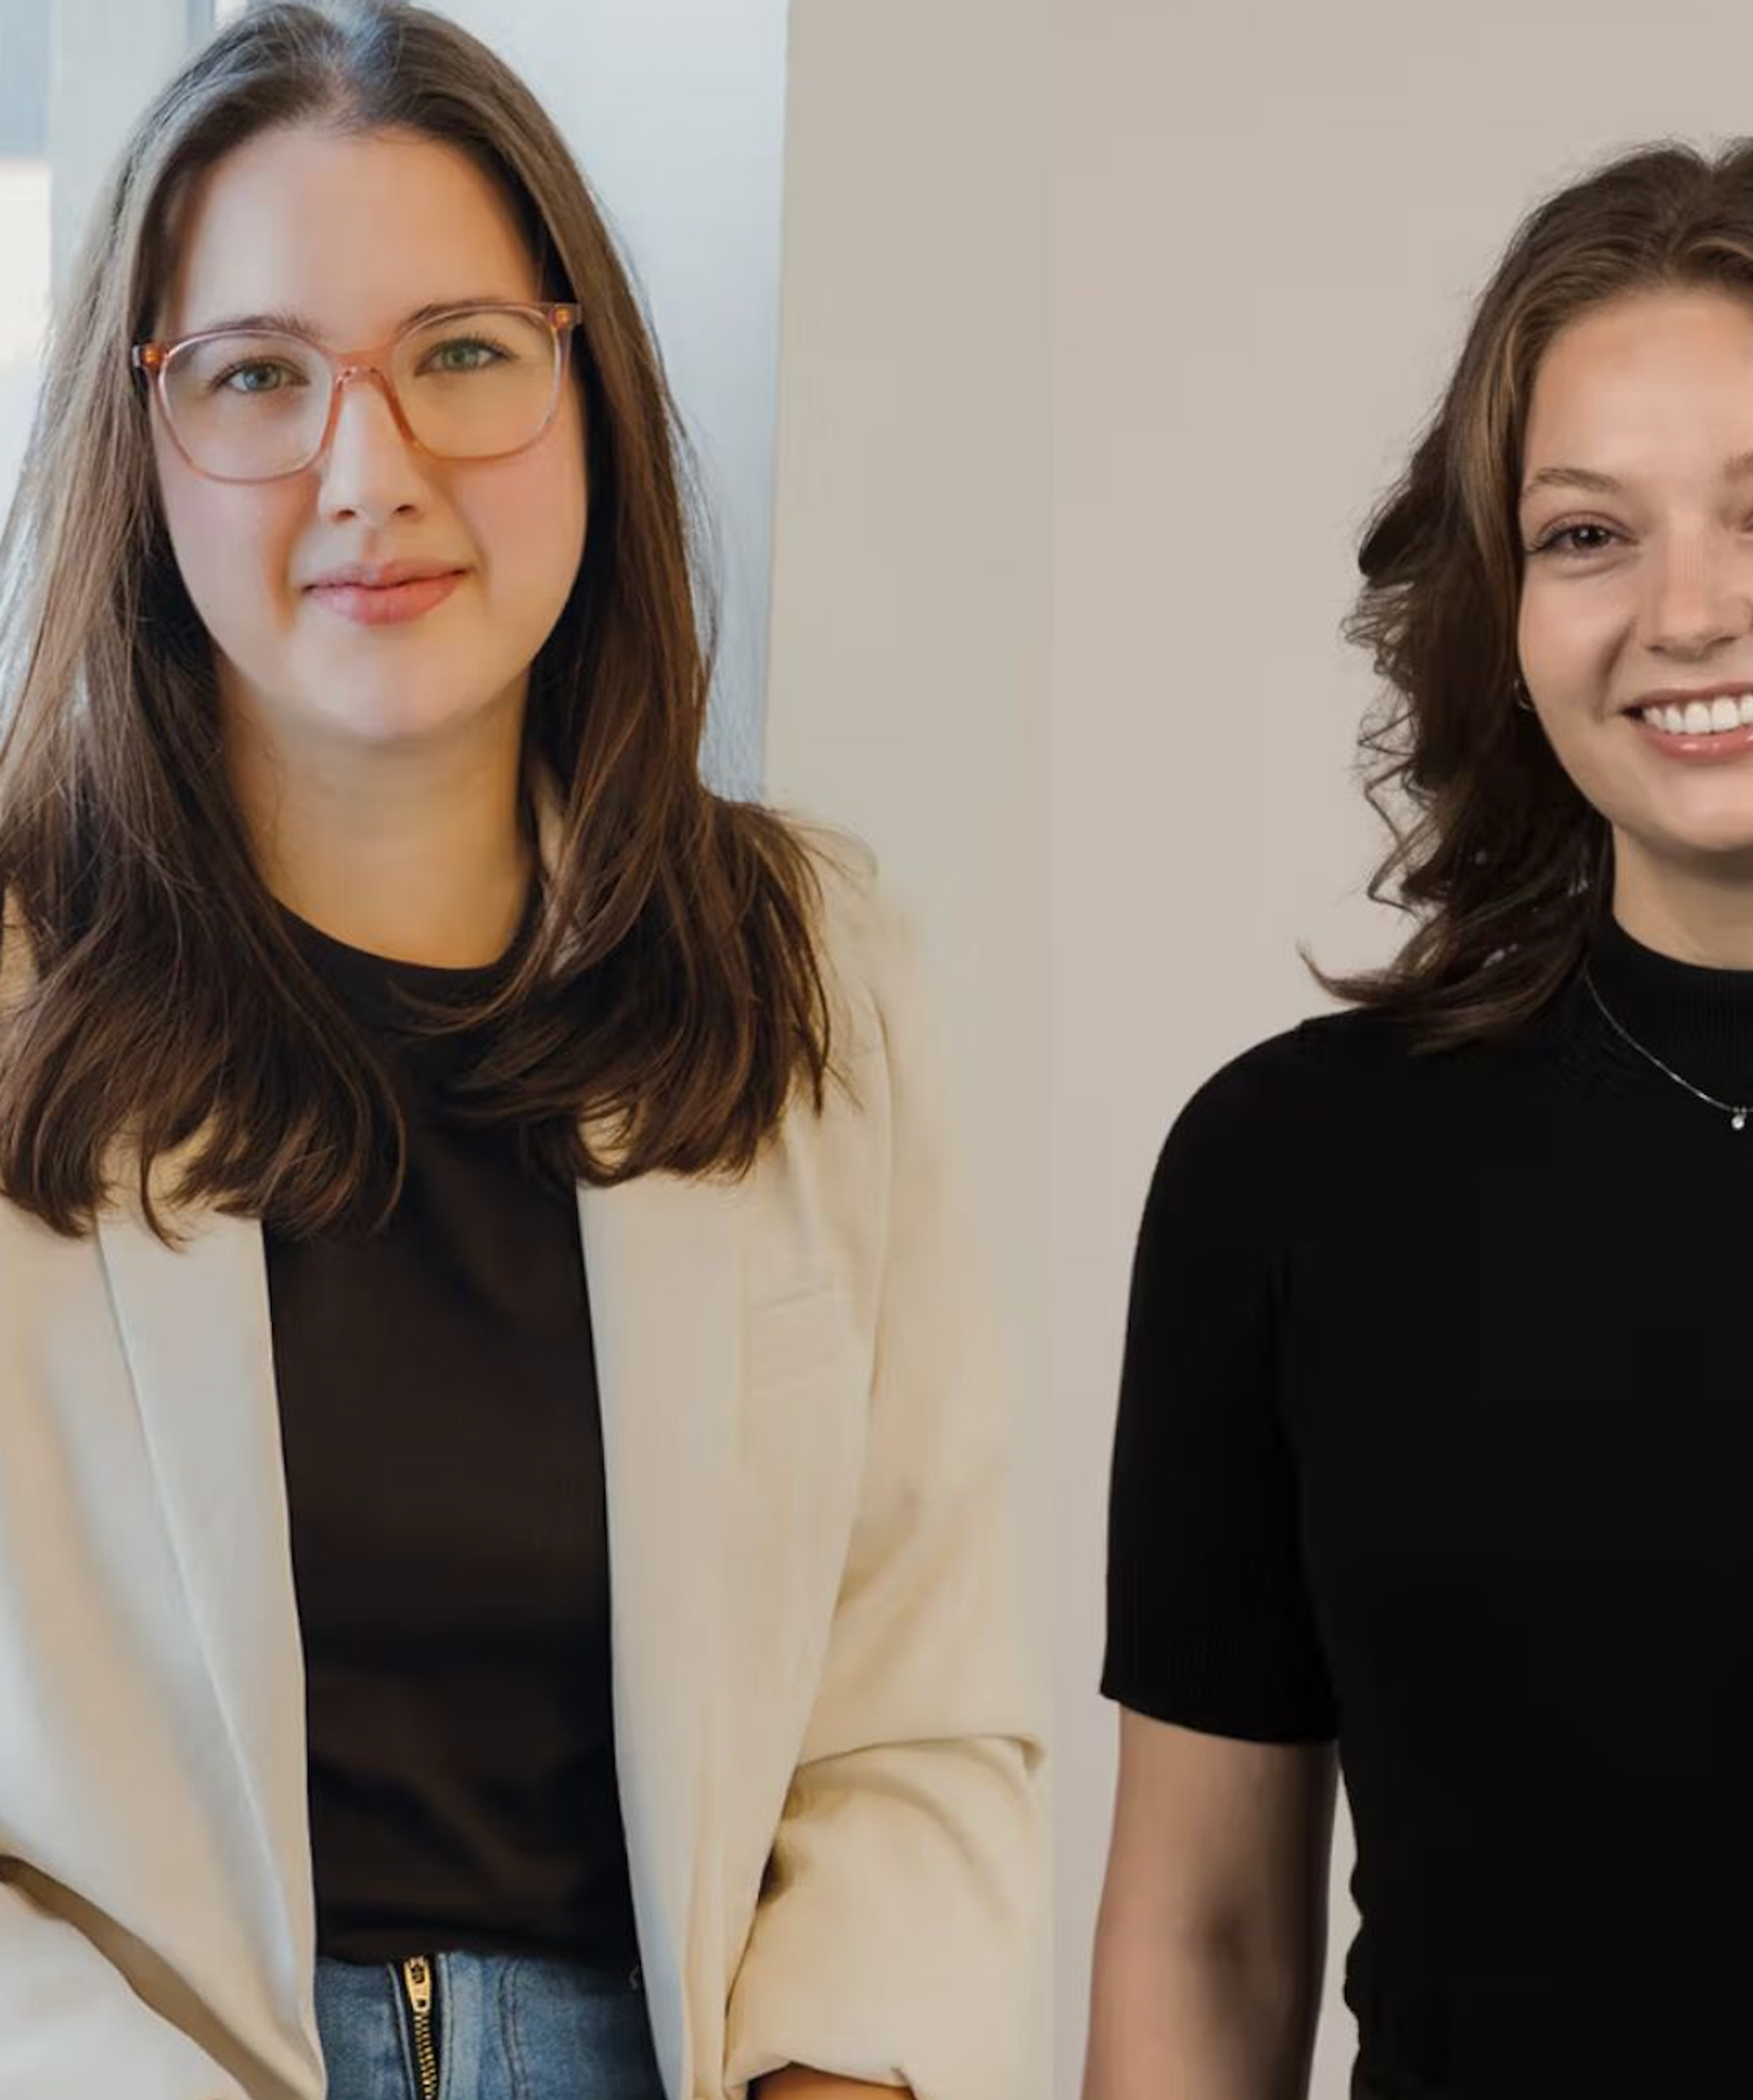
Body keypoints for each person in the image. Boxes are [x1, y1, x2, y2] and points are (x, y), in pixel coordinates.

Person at [0, 5, 1043, 2098]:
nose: (367, 475)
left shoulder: (808, 969)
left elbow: (920, 1717)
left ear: (589, 390)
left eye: (462, 353)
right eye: (259, 377)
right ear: (145, 439)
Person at [1086, 135, 1753, 2100]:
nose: (1687, 613)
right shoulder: (1285, 1174)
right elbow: (1205, 1936)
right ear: (1506, 608)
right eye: (1586, 534)